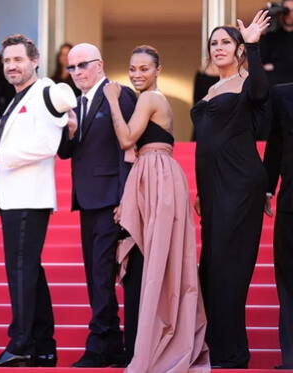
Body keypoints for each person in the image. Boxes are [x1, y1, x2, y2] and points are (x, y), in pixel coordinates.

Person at [103, 45, 210, 373]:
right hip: (155, 174)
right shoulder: (148, 99)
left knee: (156, 259)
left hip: (156, 175)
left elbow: (126, 140)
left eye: (144, 69)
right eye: (132, 68)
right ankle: (156, 338)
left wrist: (110, 101)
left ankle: (154, 343)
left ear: (158, 70)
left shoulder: (150, 99)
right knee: (158, 260)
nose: (136, 74)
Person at [0, 34, 76, 368]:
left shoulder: (46, 92)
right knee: (29, 271)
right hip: (15, 196)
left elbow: (48, 145)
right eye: (6, 61)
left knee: (20, 270)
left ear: (35, 61)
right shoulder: (19, 98)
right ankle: (44, 346)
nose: (11, 66)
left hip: (28, 197)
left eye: (18, 59)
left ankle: (20, 344)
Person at [191, 11, 271, 368]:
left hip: (240, 185)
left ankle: (234, 353)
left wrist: (253, 47)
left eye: (226, 42)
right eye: (214, 43)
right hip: (212, 189)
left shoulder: (245, 83)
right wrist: (200, 187)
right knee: (210, 266)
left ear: (238, 49)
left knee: (229, 267)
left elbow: (259, 92)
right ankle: (215, 347)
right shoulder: (210, 89)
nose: (218, 47)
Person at [57, 43, 140, 367]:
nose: (77, 72)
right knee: (95, 274)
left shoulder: (120, 94)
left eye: (82, 65)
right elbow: (66, 152)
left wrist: (125, 198)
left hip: (111, 200)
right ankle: (112, 343)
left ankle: (99, 345)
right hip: (86, 200)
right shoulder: (75, 104)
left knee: (103, 274)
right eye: (72, 67)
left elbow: (129, 149)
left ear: (100, 65)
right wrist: (70, 131)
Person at [263, 82, 293, 369]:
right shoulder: (283, 95)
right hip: (290, 202)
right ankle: (291, 356)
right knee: (288, 279)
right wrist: (267, 188)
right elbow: (275, 143)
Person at [260, 0, 293, 85]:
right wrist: (263, 33)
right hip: (274, 86)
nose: (289, 14)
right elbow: (261, 62)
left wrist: (275, 66)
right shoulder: (271, 36)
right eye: (286, 10)